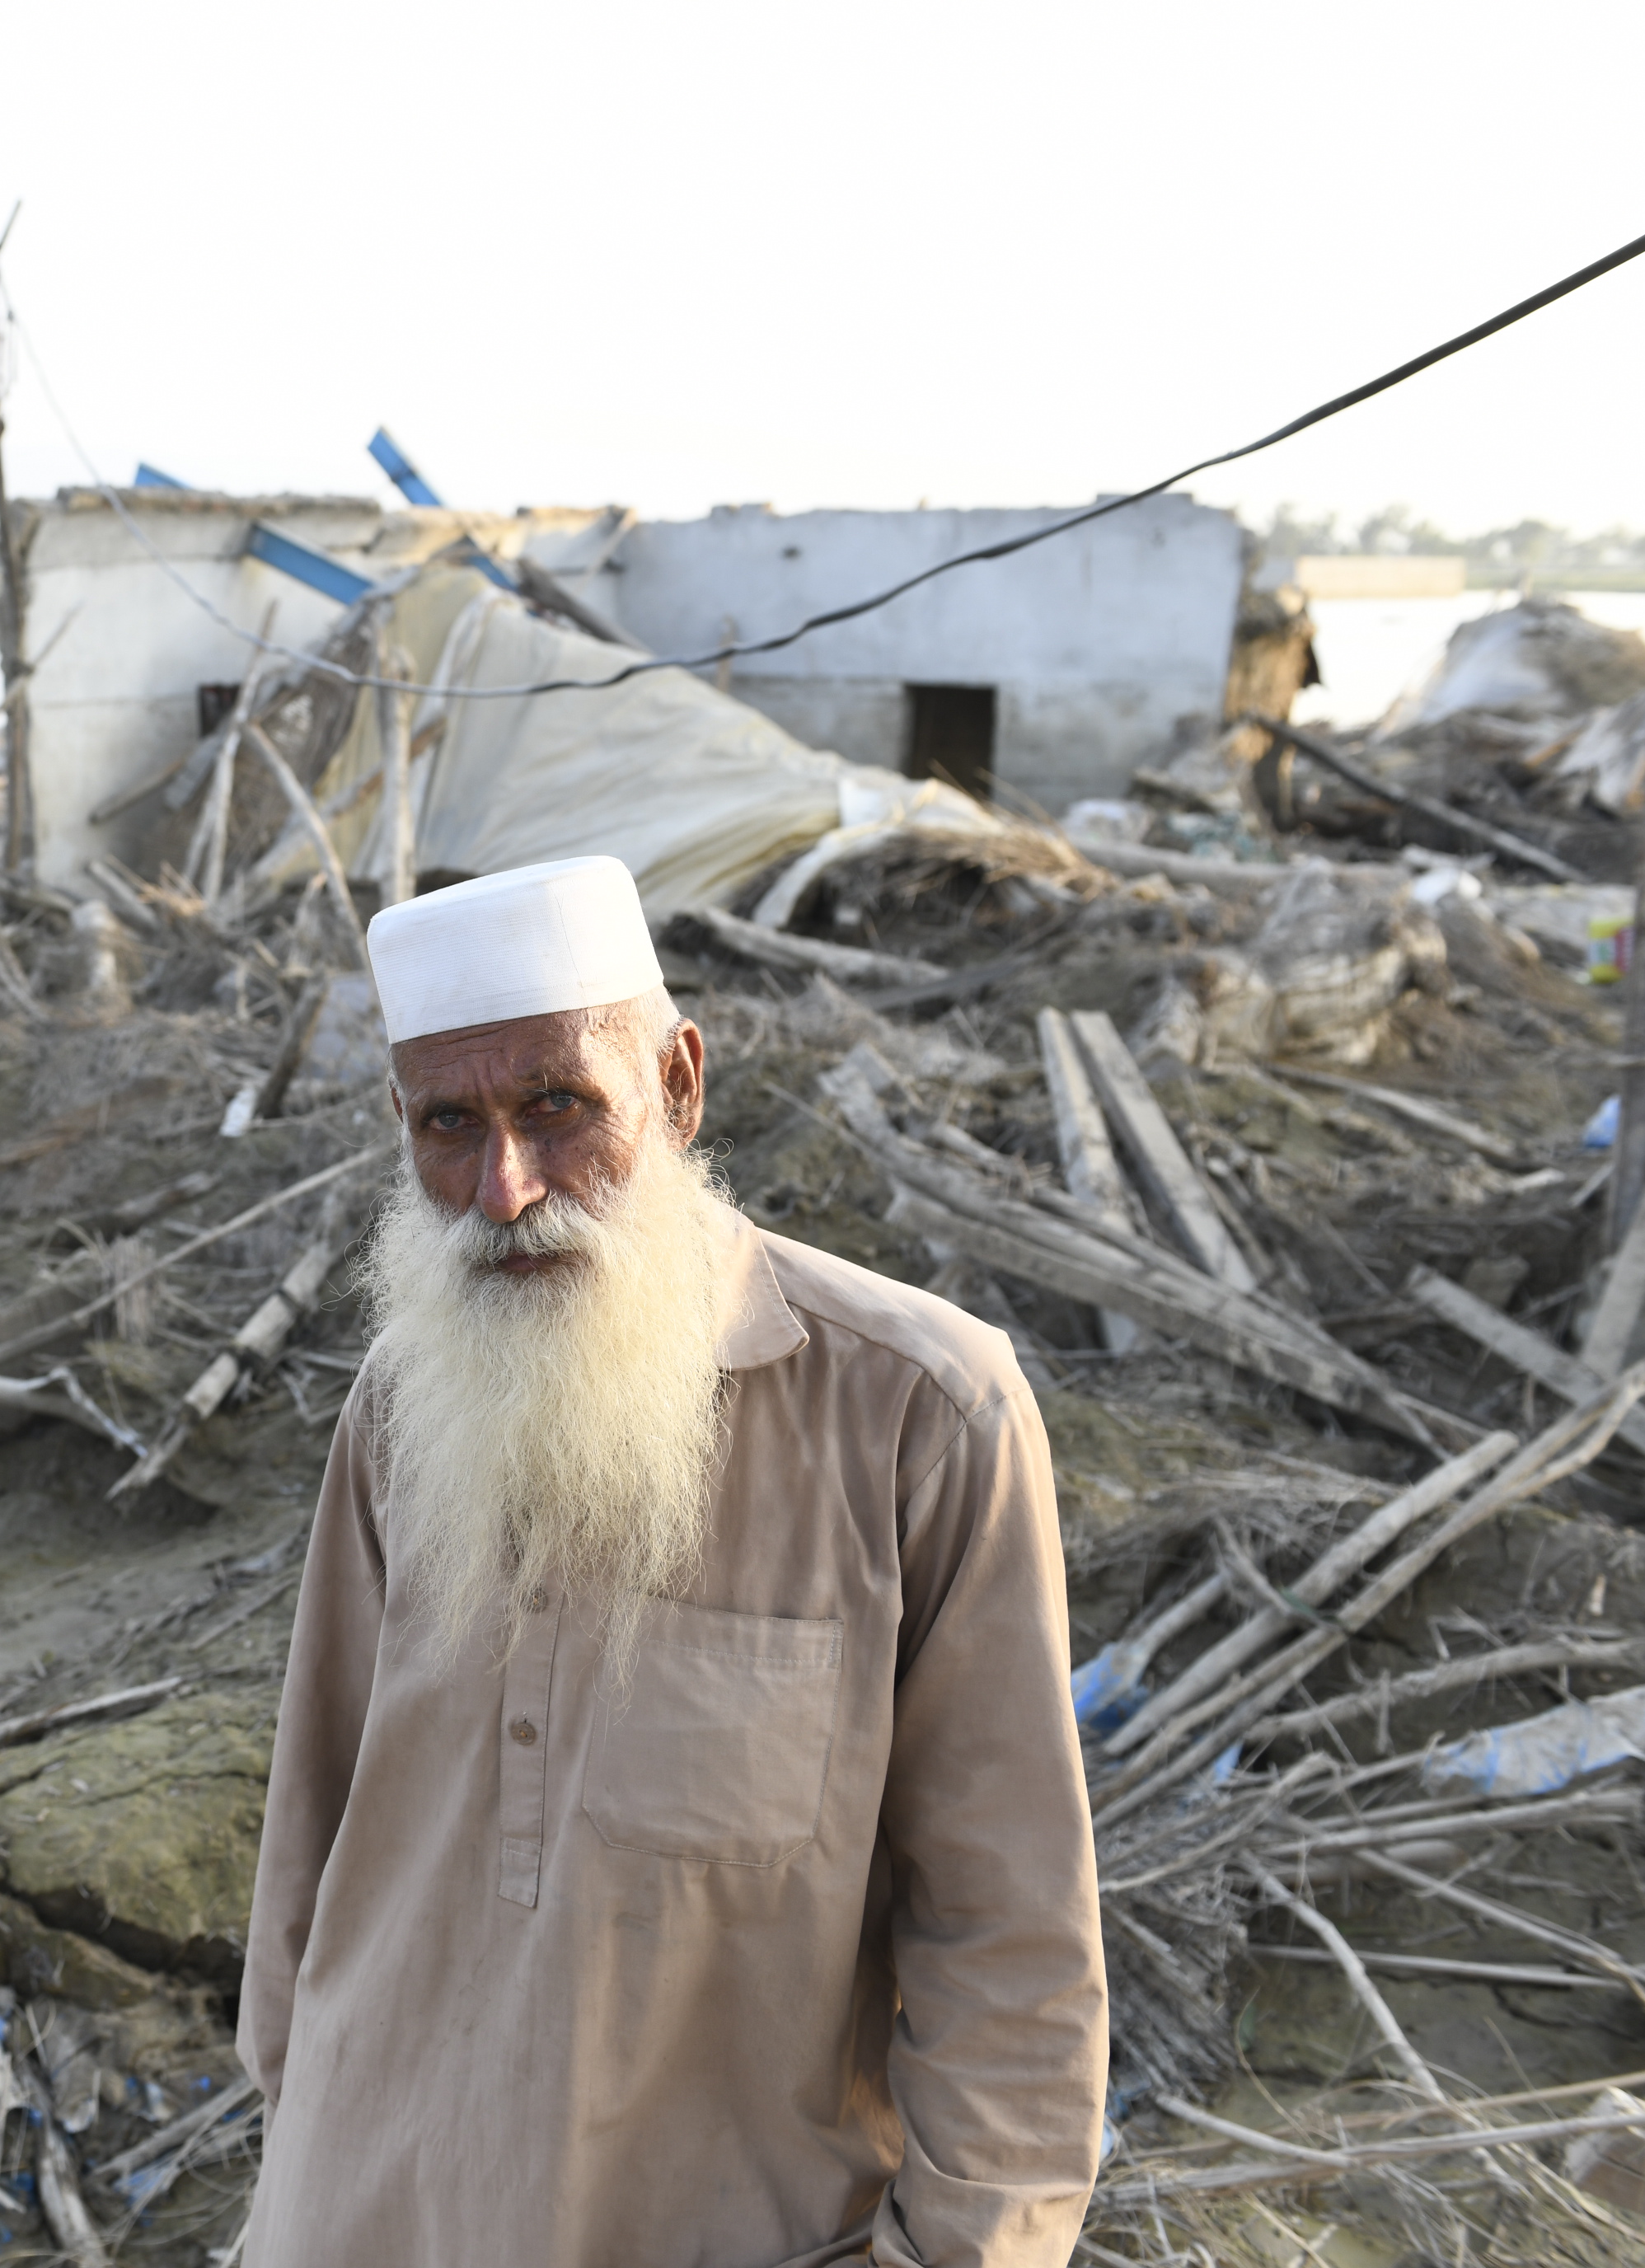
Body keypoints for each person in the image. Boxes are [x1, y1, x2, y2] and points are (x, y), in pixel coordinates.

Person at [238, 856, 1104, 2267]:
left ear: (680, 1085)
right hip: (362, 2210)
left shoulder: (921, 1417)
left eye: (558, 1109)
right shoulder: (401, 1406)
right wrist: (291, 2143)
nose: (504, 1190)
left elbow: (1009, 1941)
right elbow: (316, 1827)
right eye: (447, 1127)